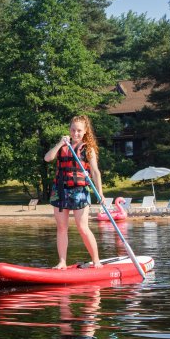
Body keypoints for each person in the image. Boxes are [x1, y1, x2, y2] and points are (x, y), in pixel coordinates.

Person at [44, 115, 103, 270]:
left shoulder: (88, 149)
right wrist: (59, 144)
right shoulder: (63, 146)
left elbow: (95, 172)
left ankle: (96, 260)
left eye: (79, 130)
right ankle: (62, 262)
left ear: (84, 132)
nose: (75, 133)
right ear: (69, 130)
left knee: (82, 227)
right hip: (61, 190)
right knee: (61, 227)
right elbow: (47, 158)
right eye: (73, 130)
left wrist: (100, 193)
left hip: (80, 191)